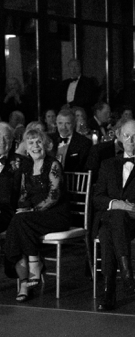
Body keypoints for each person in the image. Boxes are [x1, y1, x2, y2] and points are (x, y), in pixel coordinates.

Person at [90, 119, 135, 311]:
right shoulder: (107, 164)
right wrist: (117, 204)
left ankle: (109, 292)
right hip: (111, 216)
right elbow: (97, 199)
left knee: (107, 232)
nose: (131, 140)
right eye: (127, 136)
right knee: (116, 215)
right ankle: (127, 276)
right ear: (120, 138)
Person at [5, 122, 69, 300]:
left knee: (21, 221)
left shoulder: (53, 164)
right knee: (18, 220)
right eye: (31, 143)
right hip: (33, 216)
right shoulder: (26, 167)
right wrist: (23, 208)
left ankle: (29, 269)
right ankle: (27, 280)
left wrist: (31, 210)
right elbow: (24, 193)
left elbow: (54, 196)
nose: (35, 146)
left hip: (55, 214)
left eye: (38, 142)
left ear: (45, 144)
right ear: (26, 147)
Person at [53, 107, 92, 176]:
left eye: (67, 123)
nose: (63, 127)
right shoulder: (50, 139)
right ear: (56, 123)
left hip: (73, 182)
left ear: (74, 124)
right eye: (60, 123)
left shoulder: (84, 142)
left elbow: (84, 168)